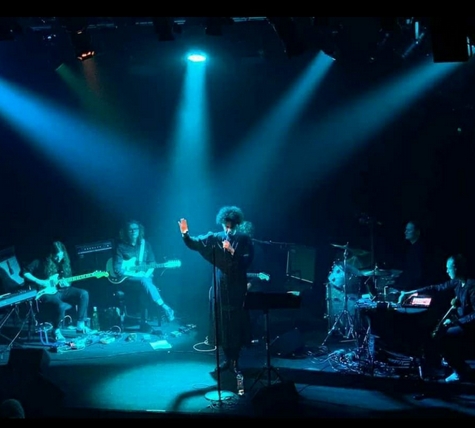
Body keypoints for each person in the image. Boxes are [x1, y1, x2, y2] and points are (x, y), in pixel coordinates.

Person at [178, 205, 254, 372]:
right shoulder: (216, 237)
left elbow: (247, 261)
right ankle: (227, 358)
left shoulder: (243, 239)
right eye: (225, 226)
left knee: (235, 321)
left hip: (237, 284)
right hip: (221, 283)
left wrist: (232, 250)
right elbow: (197, 243)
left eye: (231, 226)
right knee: (222, 320)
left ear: (237, 224)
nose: (228, 229)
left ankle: (236, 360)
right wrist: (185, 234)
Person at [398, 254, 475, 383]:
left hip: (469, 324)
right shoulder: (457, 282)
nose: (447, 271)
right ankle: (453, 365)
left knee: (443, 337)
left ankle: (460, 371)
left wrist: (456, 322)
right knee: (433, 330)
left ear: (456, 268)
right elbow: (436, 288)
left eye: (448, 268)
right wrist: (410, 293)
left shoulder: (472, 286)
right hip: (461, 321)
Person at [22, 241, 95, 342]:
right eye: (56, 257)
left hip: (62, 290)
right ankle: (56, 330)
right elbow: (24, 272)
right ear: (50, 255)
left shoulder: (64, 263)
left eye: (61, 256)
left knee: (84, 294)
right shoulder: (40, 262)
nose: (59, 259)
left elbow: (67, 280)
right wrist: (39, 281)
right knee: (61, 305)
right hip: (46, 292)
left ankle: (80, 325)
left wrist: (67, 284)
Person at [112, 219, 174, 333]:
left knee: (144, 285)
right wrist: (134, 274)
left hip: (145, 278)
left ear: (139, 230)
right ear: (126, 232)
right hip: (129, 280)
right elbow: (117, 269)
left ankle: (144, 323)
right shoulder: (121, 247)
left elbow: (152, 263)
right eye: (130, 229)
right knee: (144, 282)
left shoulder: (146, 245)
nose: (133, 231)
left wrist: (145, 274)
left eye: (135, 229)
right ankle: (164, 308)